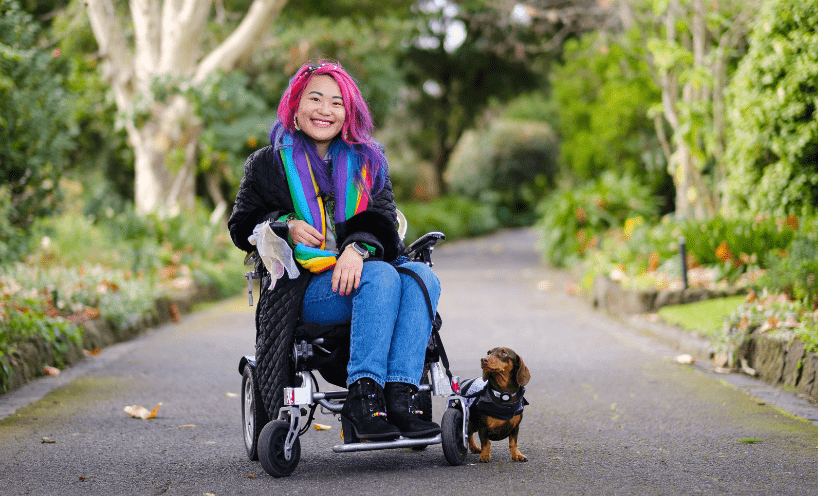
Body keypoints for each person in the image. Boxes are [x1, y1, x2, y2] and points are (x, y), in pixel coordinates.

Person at [228, 60, 441, 441]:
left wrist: (356, 248)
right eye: (316, 99)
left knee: (423, 277)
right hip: (305, 289)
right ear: (295, 105)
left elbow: (384, 221)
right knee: (380, 274)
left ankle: (400, 394)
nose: (326, 110)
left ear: (349, 113)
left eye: (337, 103)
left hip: (366, 272)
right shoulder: (267, 163)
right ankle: (363, 400)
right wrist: (285, 224)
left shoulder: (368, 161)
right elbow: (241, 227)